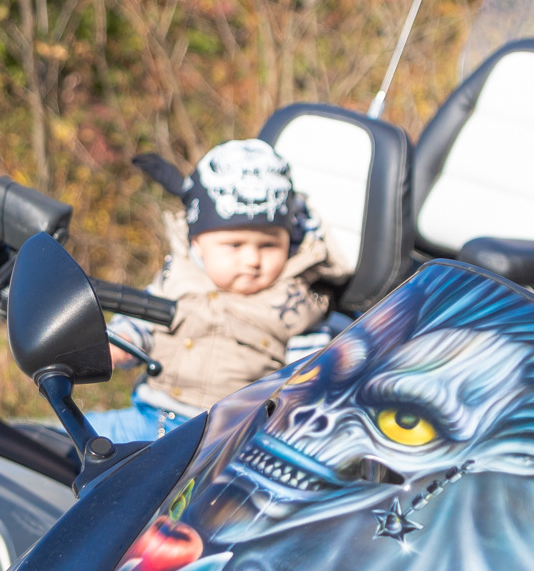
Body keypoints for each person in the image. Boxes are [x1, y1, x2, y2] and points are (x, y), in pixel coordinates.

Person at [86, 139, 350, 442]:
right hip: (150, 418)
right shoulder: (179, 278)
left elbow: (308, 380)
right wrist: (120, 344)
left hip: (226, 442)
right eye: (234, 245)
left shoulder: (294, 303)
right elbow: (142, 321)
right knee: (62, 446)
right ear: (197, 242)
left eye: (268, 245)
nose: (252, 260)